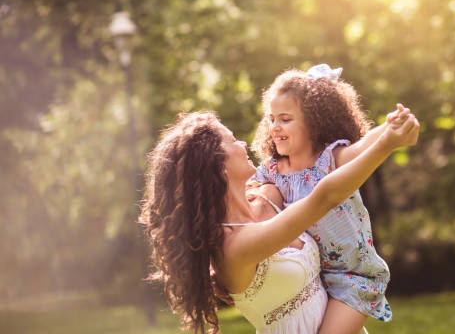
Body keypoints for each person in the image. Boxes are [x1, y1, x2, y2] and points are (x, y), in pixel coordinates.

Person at [139, 108, 419, 334]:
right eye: (233, 140)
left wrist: (388, 128)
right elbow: (323, 198)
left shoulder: (270, 193)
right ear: (217, 164)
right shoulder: (233, 247)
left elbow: (329, 164)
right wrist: (385, 146)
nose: (243, 143)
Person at [252, 65, 412, 333]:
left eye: (285, 119)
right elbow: (247, 199)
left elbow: (364, 147)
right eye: (271, 119)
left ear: (314, 123)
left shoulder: (331, 159)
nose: (274, 128)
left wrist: (389, 126)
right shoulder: (272, 172)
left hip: (353, 278)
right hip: (309, 278)